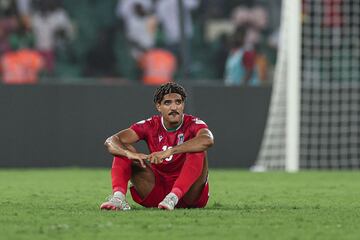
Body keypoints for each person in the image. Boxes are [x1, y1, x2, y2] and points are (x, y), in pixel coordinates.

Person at [100, 82, 214, 211]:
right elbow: (111, 141)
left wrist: (170, 151)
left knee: (198, 147)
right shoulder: (150, 125)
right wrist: (129, 154)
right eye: (168, 103)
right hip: (158, 191)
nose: (174, 107)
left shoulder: (193, 123)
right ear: (158, 106)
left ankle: (174, 196)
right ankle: (118, 198)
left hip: (189, 195)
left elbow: (208, 140)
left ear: (183, 105)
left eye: (178, 102)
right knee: (123, 148)